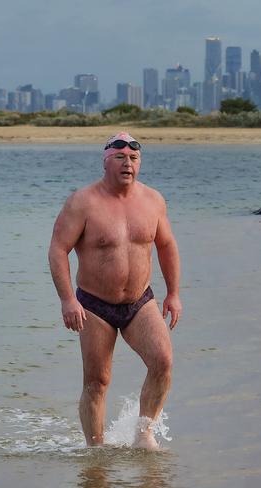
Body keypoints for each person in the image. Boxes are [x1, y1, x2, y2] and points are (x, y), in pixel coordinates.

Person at [48, 132, 181, 450]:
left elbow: (166, 245)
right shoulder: (82, 202)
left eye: (134, 158)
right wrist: (67, 299)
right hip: (94, 305)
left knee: (162, 362)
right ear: (106, 162)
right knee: (97, 381)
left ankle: (143, 434)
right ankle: (95, 450)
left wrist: (174, 293)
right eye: (120, 158)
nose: (128, 163)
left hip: (140, 301)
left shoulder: (153, 200)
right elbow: (57, 250)